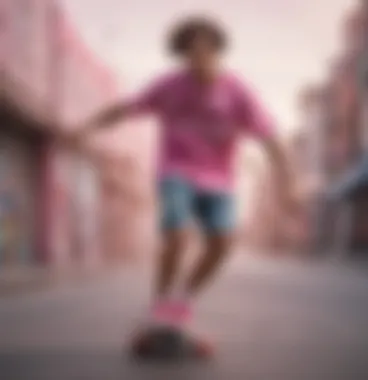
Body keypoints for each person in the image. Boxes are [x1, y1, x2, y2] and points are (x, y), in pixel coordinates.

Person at [64, 16, 298, 332]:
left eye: (204, 53)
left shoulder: (238, 92)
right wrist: (86, 127)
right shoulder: (169, 86)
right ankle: (159, 303)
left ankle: (182, 299)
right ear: (182, 55)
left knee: (222, 243)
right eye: (189, 55)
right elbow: (125, 109)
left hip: (220, 180)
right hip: (177, 172)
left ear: (218, 51)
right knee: (177, 236)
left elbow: (271, 140)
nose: (197, 62)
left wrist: (288, 184)